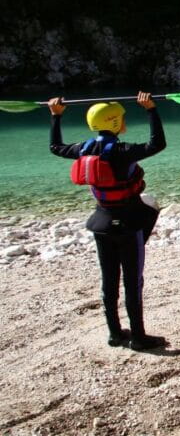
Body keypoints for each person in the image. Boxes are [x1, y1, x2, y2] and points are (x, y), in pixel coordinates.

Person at [48, 92, 168, 351]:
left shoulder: (83, 149)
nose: (124, 122)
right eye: (122, 118)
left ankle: (115, 334)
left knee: (109, 280)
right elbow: (157, 144)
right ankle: (138, 337)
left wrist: (55, 117)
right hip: (128, 223)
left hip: (100, 223)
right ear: (114, 122)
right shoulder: (123, 151)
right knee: (133, 281)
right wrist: (151, 110)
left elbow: (55, 147)